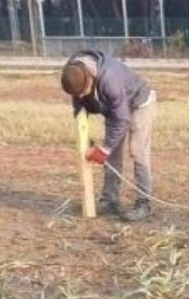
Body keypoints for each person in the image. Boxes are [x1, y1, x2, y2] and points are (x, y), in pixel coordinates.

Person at [60, 50, 157, 222]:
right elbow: (79, 109)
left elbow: (122, 119)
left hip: (139, 102)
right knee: (113, 155)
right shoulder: (74, 73)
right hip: (115, 109)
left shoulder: (109, 79)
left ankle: (144, 203)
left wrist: (104, 149)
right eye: (78, 94)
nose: (82, 96)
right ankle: (110, 200)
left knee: (137, 151)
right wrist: (86, 139)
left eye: (84, 91)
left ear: (90, 77)